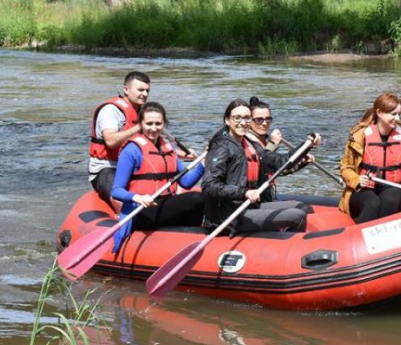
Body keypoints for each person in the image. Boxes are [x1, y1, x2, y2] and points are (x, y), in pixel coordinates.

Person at [201, 99, 320, 233]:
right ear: (227, 120)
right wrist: (244, 192)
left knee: (303, 208)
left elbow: (279, 162)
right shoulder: (221, 146)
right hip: (228, 216)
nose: (242, 122)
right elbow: (209, 185)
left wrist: (306, 146)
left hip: (249, 206)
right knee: (297, 217)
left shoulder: (250, 144)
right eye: (237, 118)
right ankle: (284, 249)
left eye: (246, 118)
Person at [110, 102, 205, 251]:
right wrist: (138, 198)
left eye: (158, 124)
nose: (153, 128)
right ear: (141, 124)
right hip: (140, 210)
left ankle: (189, 241)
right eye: (149, 123)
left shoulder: (168, 149)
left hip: (163, 205)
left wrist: (202, 165)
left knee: (201, 198)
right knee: (196, 198)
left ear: (164, 124)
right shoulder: (131, 150)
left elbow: (186, 182)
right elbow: (116, 191)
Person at [339, 93, 401, 224]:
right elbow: (345, 168)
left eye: (399, 114)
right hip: (364, 189)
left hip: (396, 187)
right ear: (379, 112)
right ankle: (359, 237)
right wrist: (356, 180)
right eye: (393, 114)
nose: (397, 118)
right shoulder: (359, 136)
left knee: (390, 200)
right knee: (372, 203)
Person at [88, 71, 150, 201]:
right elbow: (111, 141)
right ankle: (126, 216)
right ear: (126, 90)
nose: (144, 94)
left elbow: (154, 144)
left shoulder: (143, 112)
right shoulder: (110, 110)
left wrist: (180, 154)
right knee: (122, 198)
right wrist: (138, 127)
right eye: (140, 90)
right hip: (107, 169)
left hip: (134, 167)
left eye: (147, 91)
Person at [245, 96, 311, 203]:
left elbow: (277, 171)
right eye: (259, 120)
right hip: (255, 201)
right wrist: (272, 145)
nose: (264, 123)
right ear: (249, 121)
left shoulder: (264, 141)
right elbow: (262, 167)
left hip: (268, 197)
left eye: (268, 119)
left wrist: (302, 162)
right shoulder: (245, 143)